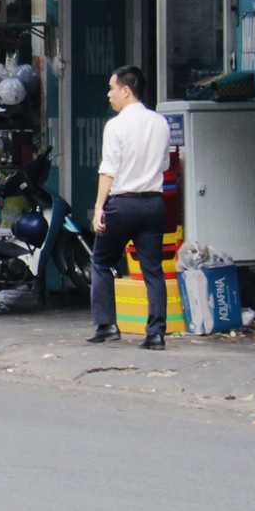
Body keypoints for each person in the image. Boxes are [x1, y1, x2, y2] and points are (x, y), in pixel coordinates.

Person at [88, 66, 171, 348]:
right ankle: (156, 333)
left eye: (112, 88)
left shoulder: (116, 125)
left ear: (126, 90)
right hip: (154, 204)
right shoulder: (160, 122)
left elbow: (108, 170)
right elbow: (164, 164)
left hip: (123, 205)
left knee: (101, 262)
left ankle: (107, 325)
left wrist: (99, 207)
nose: (109, 94)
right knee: (153, 270)